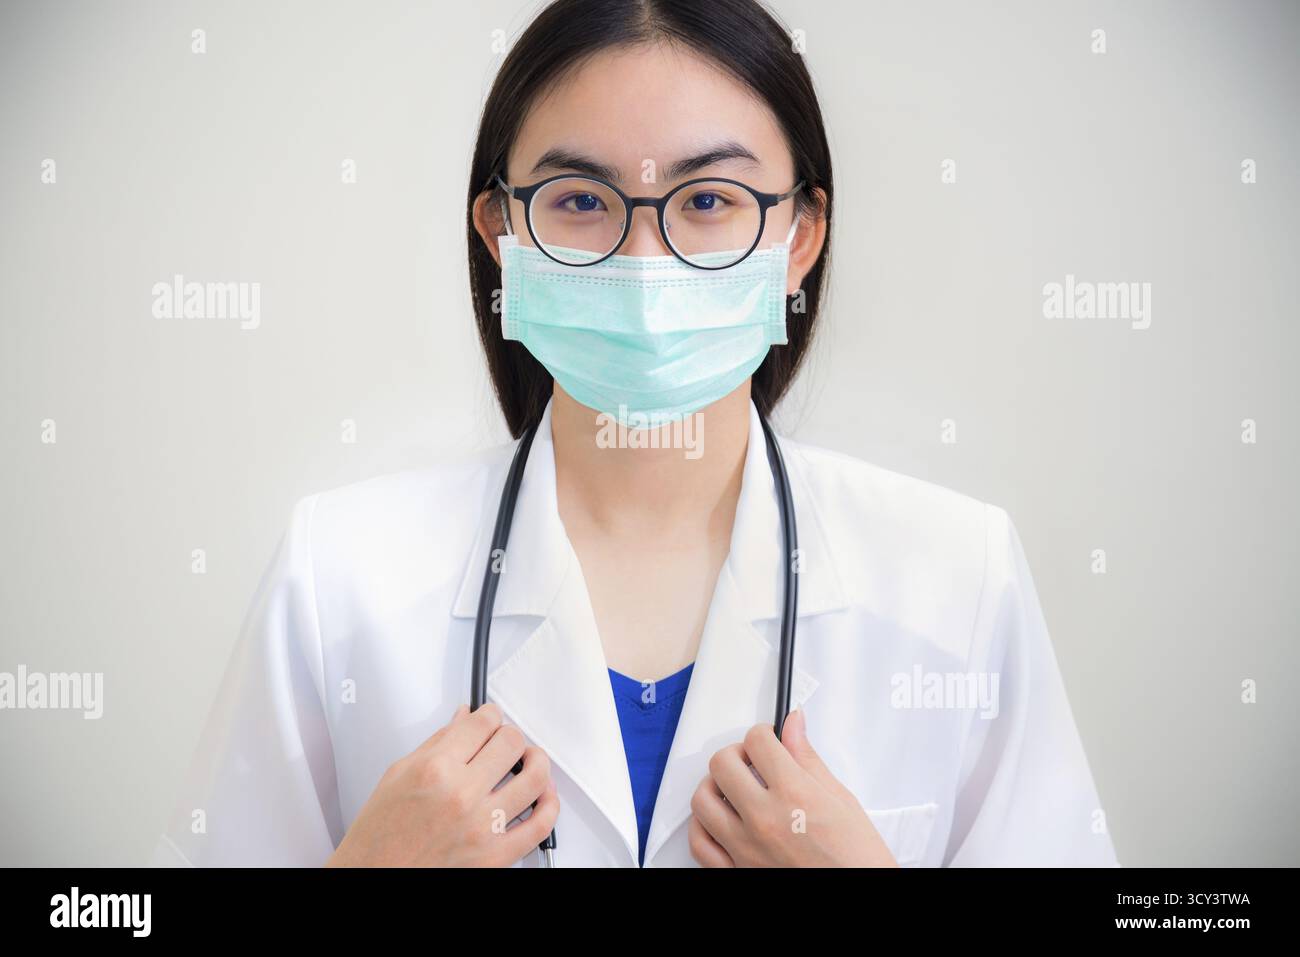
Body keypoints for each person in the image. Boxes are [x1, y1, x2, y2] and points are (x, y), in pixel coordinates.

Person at [148, 0, 1119, 868]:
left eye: (706, 202)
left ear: (801, 238)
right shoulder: (339, 574)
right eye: (578, 201)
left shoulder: (955, 572)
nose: (645, 262)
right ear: (500, 234)